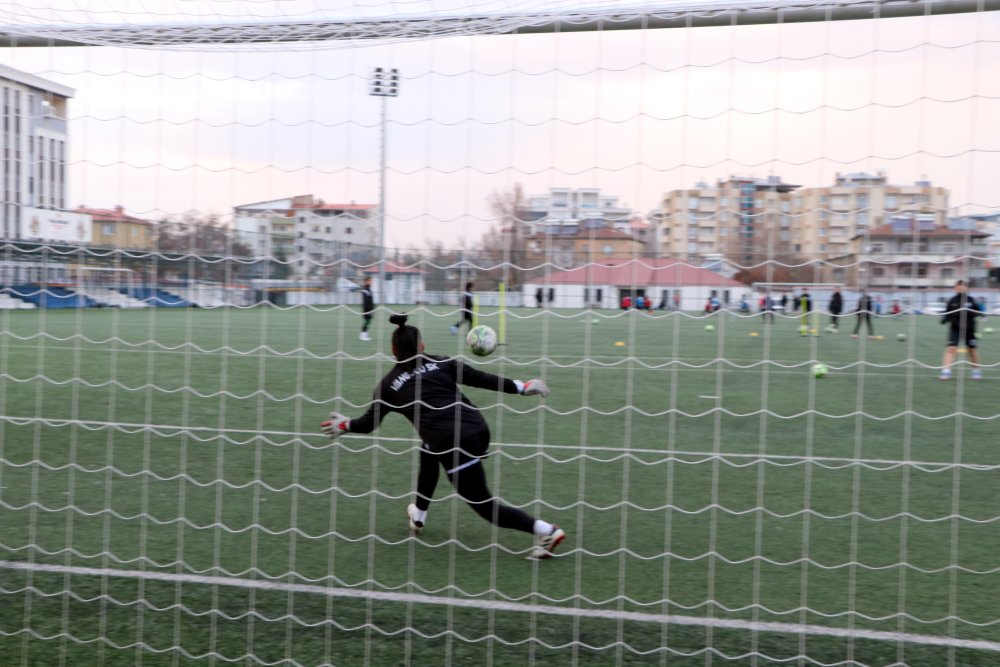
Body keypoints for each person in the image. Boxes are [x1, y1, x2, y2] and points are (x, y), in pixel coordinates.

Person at [321, 314, 566, 559]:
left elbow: (367, 424)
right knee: (428, 449)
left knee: (484, 506)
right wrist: (522, 387)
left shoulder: (387, 387)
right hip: (477, 428)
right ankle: (418, 516)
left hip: (453, 443)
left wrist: (344, 425)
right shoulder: (442, 362)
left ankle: (547, 532)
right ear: (422, 345)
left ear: (393, 351)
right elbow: (481, 378)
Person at [939, 280, 982, 380]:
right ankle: (946, 372)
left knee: (971, 350)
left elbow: (978, 312)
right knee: (951, 348)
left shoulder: (971, 300)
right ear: (955, 288)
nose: (960, 288)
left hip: (969, 329)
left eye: (962, 286)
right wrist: (944, 319)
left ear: (966, 288)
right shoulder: (952, 300)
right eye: (958, 286)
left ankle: (976, 371)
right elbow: (947, 313)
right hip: (955, 328)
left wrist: (978, 314)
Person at [359, 276, 375, 341]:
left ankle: (365, 334)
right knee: (366, 322)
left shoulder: (368, 289)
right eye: (370, 281)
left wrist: (372, 308)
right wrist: (368, 310)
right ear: (366, 281)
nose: (372, 282)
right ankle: (362, 336)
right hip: (367, 309)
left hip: (370, 309)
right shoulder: (365, 289)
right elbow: (365, 301)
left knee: (368, 322)